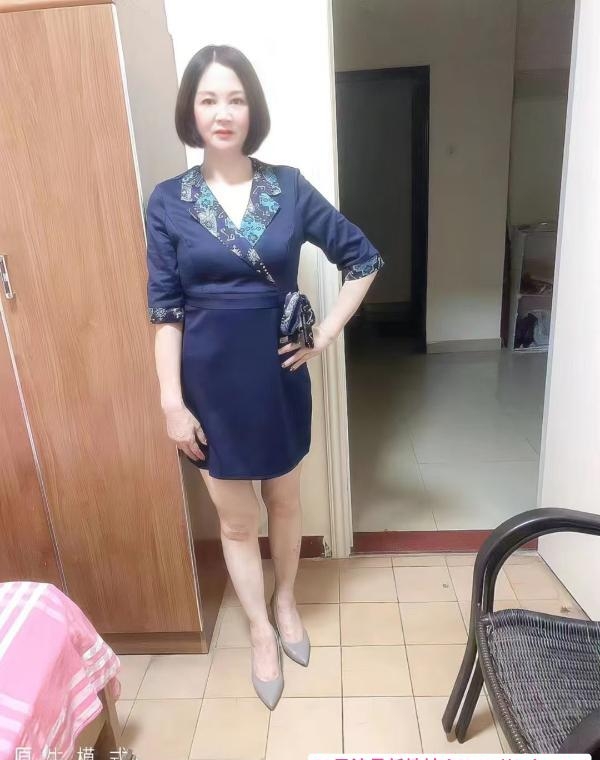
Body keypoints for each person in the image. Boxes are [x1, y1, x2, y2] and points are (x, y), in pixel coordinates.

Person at [145, 44, 384, 710]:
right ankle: (257, 629)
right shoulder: (168, 202)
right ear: (191, 111)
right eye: (209, 99)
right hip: (208, 386)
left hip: (278, 375)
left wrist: (324, 334)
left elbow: (362, 259)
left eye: (236, 99)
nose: (223, 112)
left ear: (253, 109)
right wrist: (171, 403)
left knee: (284, 502)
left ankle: (285, 602)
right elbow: (164, 311)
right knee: (234, 521)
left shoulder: (290, 187)